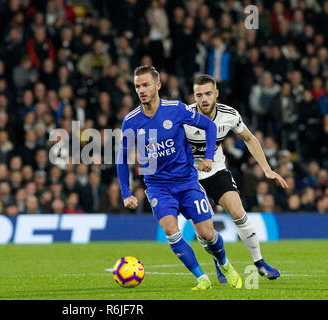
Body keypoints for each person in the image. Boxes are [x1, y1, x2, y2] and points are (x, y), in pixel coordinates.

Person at [117, 66, 242, 290]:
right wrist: (126, 192)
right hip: (157, 186)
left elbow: (209, 126)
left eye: (146, 85)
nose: (142, 90)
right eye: (137, 86)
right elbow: (121, 158)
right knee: (171, 230)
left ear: (157, 85)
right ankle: (201, 278)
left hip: (187, 182)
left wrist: (209, 157)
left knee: (207, 234)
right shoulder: (131, 121)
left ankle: (224, 263)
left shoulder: (175, 109)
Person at [185, 74, 289, 282]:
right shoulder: (183, 116)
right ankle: (219, 258)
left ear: (216, 94)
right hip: (188, 177)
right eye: (199, 95)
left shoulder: (229, 115)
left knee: (238, 212)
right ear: (194, 97)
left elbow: (249, 138)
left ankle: (260, 263)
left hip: (215, 170)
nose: (203, 99)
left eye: (207, 94)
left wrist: (267, 169)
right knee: (205, 234)